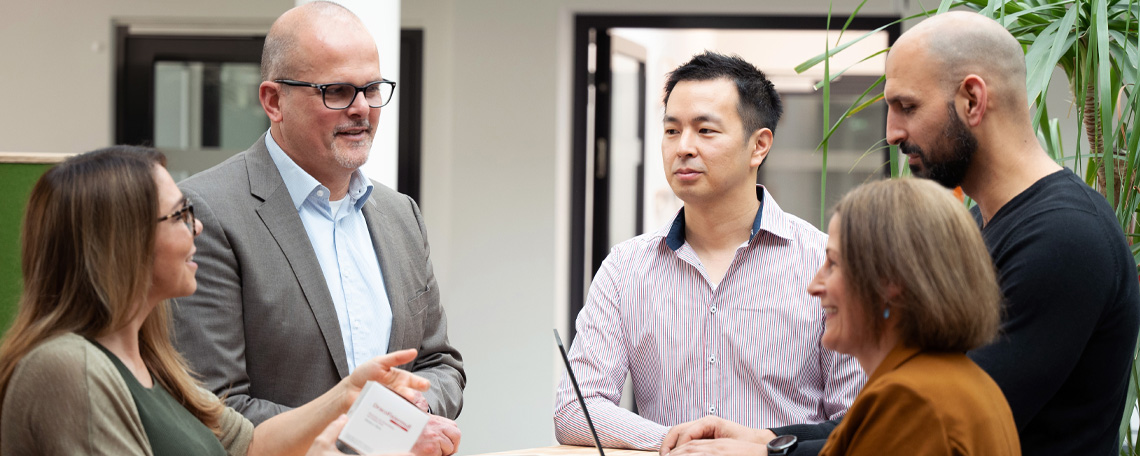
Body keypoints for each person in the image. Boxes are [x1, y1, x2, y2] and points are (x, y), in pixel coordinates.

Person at [660, 11, 1140, 456]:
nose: (891, 133)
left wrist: (771, 452)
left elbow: (932, 420)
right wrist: (772, 437)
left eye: (907, 106)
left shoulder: (1065, 237)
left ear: (973, 100)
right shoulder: (980, 225)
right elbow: (900, 406)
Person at [0, 146, 430, 456]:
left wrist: (346, 395)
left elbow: (252, 445)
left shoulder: (153, 361)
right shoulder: (69, 367)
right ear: (122, 243)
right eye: (179, 215)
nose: (198, 228)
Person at [170, 3, 464, 455]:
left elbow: (440, 364)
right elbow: (215, 408)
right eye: (338, 91)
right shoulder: (208, 212)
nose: (362, 109)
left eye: (372, 89)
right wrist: (383, 432)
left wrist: (414, 411)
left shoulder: (400, 214)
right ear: (273, 101)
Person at [553, 51, 865, 451]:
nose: (683, 147)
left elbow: (858, 421)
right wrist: (675, 442)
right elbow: (575, 408)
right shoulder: (626, 267)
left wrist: (764, 449)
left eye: (705, 130)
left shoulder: (824, 262)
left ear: (759, 146)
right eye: (671, 130)